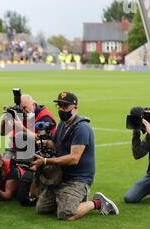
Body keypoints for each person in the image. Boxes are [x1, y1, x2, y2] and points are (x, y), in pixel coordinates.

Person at [30, 92, 119, 221]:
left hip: (78, 179)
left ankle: (97, 202)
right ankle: (68, 199)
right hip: (61, 176)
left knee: (66, 214)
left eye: (65, 106)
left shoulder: (81, 128)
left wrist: (45, 161)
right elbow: (55, 144)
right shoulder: (62, 124)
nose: (61, 109)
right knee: (41, 209)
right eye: (59, 106)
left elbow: (74, 158)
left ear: (75, 107)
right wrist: (42, 142)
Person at [0, 94, 57, 160]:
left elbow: (42, 140)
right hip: (15, 148)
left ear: (33, 104)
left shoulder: (44, 117)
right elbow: (3, 133)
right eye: (21, 108)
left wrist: (22, 128)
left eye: (25, 108)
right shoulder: (18, 113)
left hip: (35, 151)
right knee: (4, 165)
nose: (23, 111)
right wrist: (5, 119)